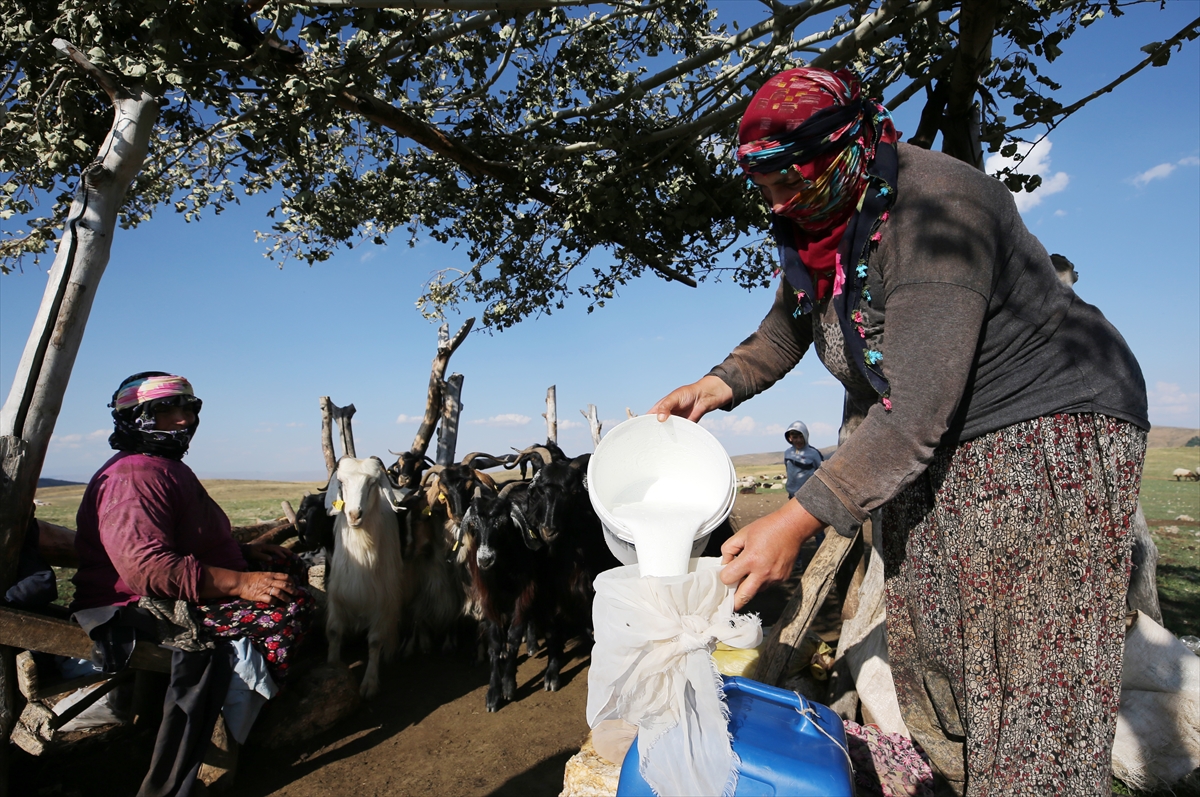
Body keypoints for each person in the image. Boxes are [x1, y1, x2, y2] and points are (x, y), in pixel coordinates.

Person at [650, 68, 1147, 796]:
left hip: (1044, 434)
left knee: (1031, 662)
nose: (778, 200)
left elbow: (912, 412)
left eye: (790, 179)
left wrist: (796, 519)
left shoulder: (937, 209)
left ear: (844, 147)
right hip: (944, 440)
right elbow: (791, 323)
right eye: (764, 186)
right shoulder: (822, 224)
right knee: (940, 645)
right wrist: (718, 385)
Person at [72, 371, 314, 796]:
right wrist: (239, 581)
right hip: (140, 605)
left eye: (189, 408)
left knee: (288, 574)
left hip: (168, 588)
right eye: (166, 410)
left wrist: (244, 554)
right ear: (134, 418)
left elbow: (188, 536)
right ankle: (238, 724)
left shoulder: (162, 467)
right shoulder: (132, 478)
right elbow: (150, 570)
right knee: (285, 607)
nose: (183, 419)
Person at [782, 421, 823, 499]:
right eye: (795, 437)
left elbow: (822, 473)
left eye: (801, 437)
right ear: (790, 438)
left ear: (806, 436)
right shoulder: (787, 453)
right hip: (792, 495)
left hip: (809, 496)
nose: (799, 440)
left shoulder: (814, 453)